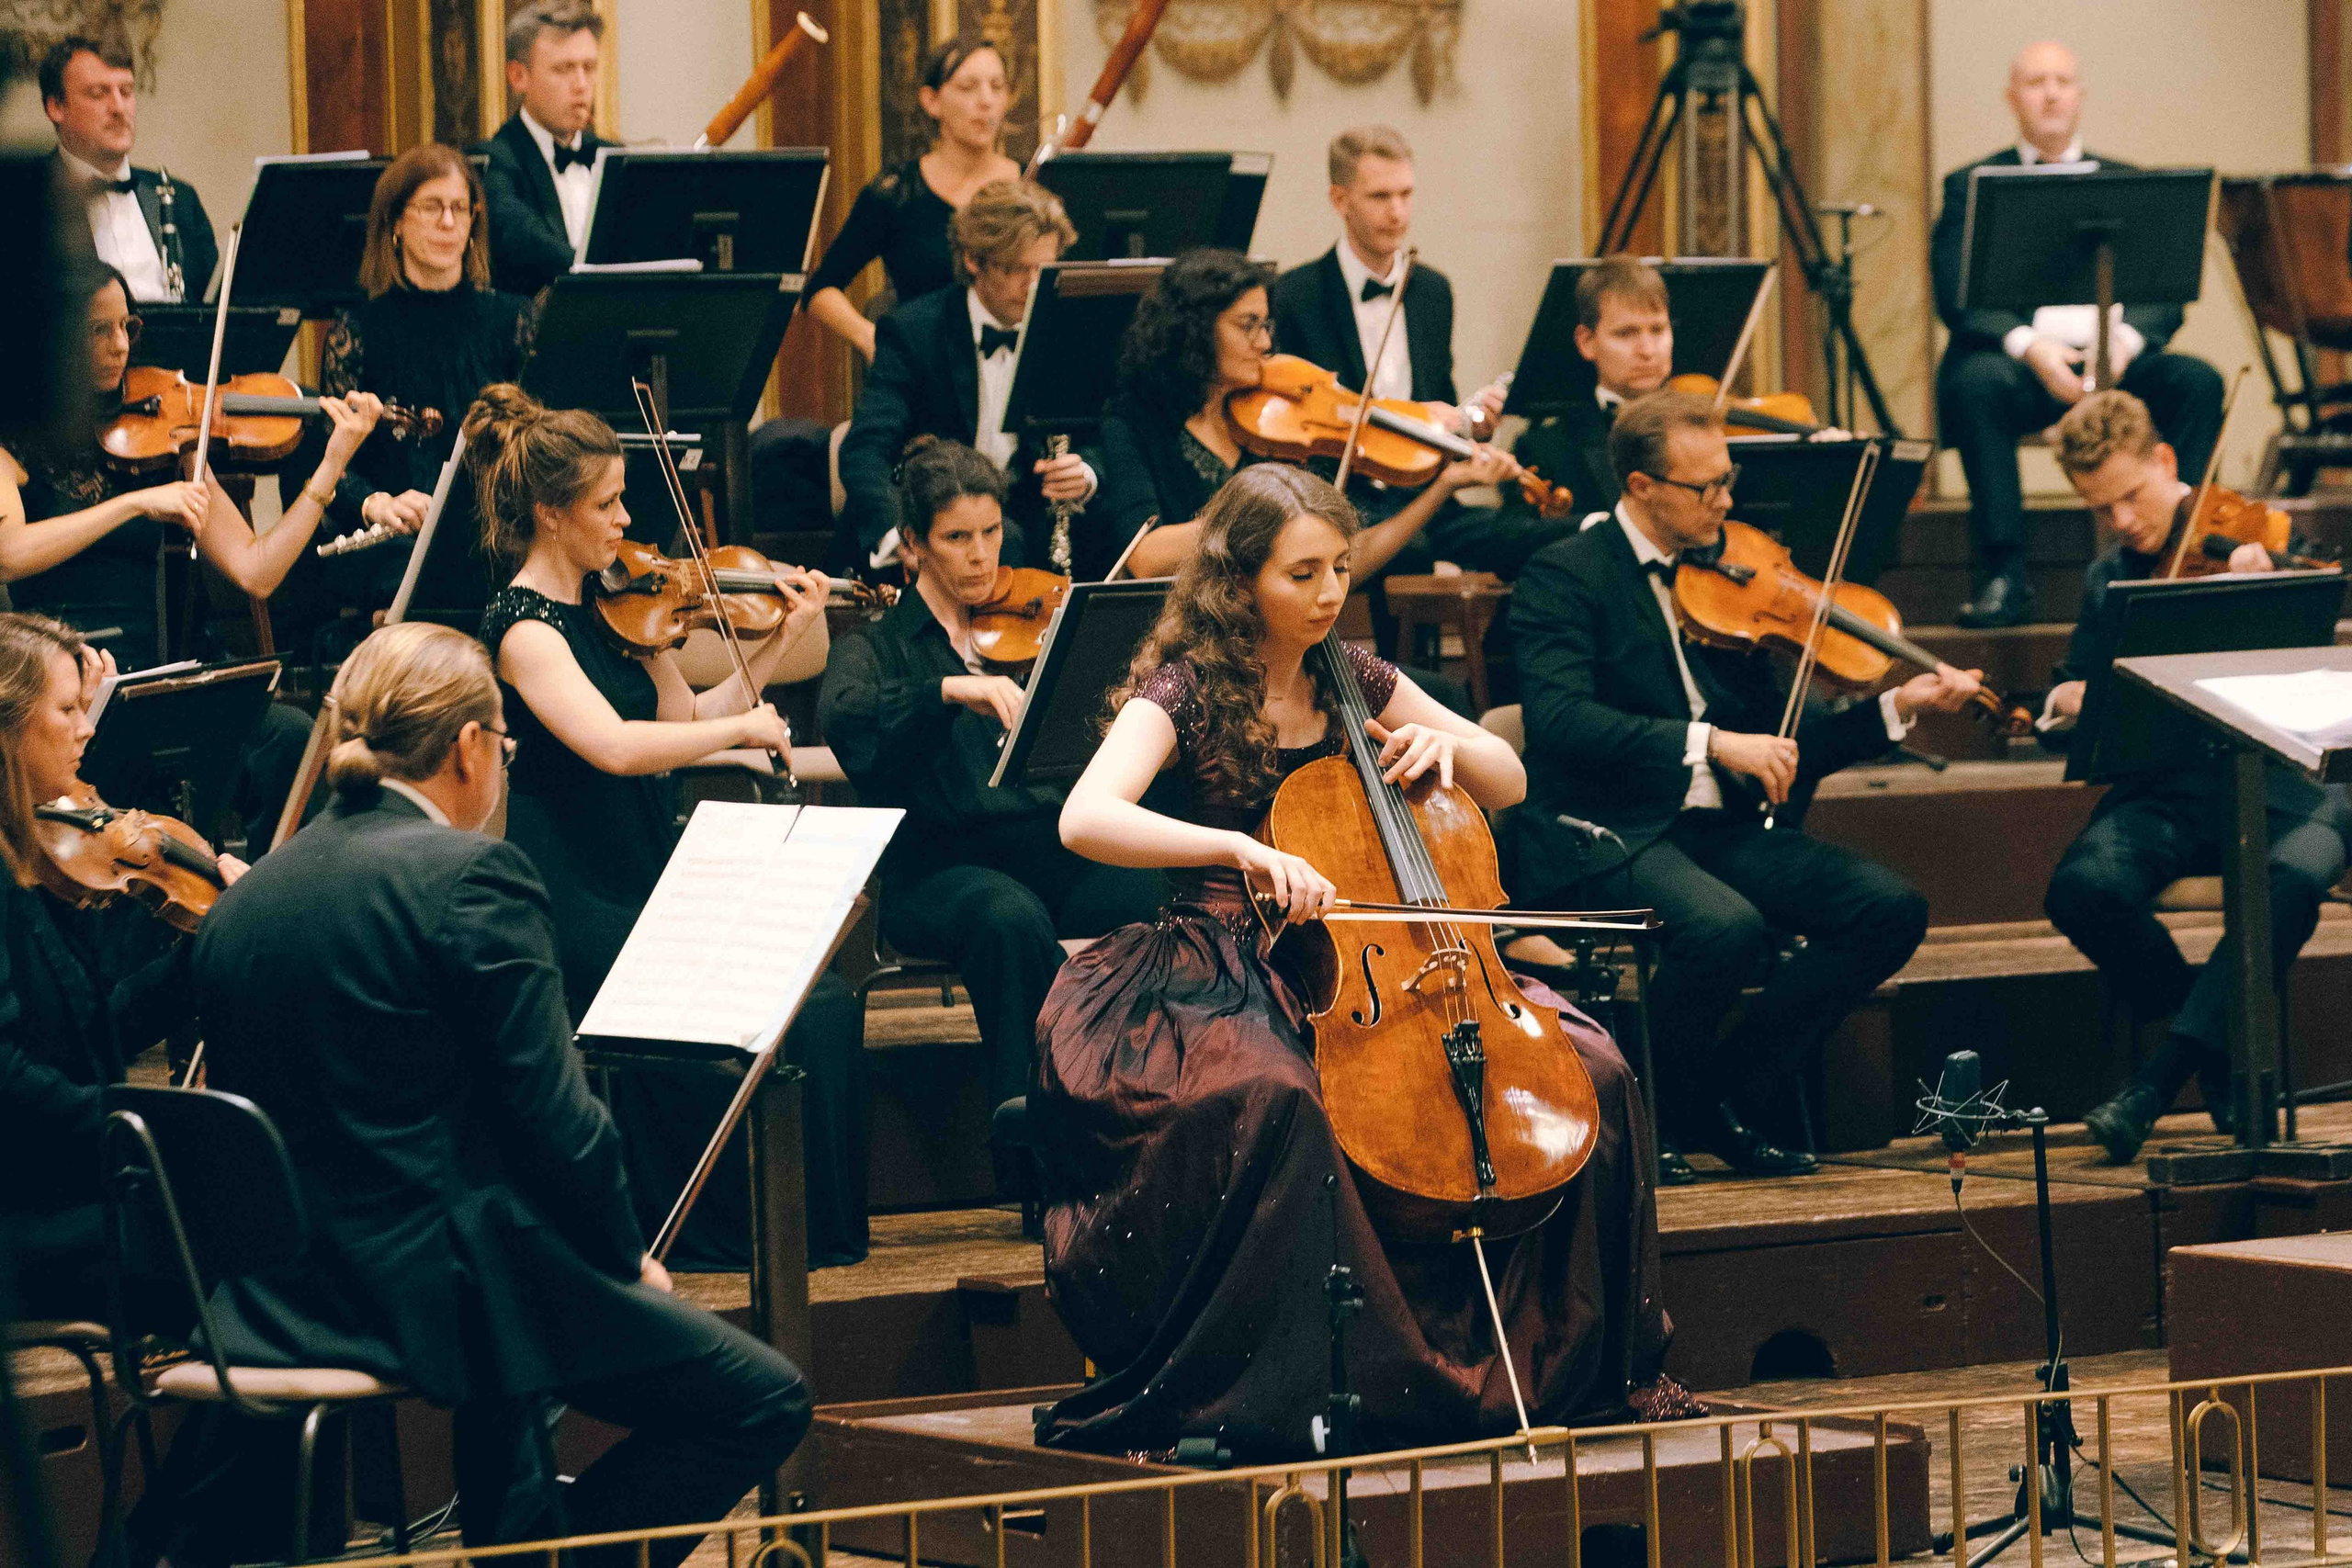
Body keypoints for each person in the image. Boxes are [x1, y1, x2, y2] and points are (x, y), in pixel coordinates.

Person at [1032, 462, 1687, 1457]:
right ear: (1238, 579)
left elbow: (1509, 775)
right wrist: (1239, 846)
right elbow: (1086, 817)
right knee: (1283, 1097)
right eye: (1302, 574)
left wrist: (1449, 753)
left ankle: (1583, 1364)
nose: (1329, 592)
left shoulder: (1355, 674)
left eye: (1339, 567)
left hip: (1381, 953)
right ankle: (1322, 1383)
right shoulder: (1187, 688)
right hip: (1227, 957)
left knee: (1592, 1067)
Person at [168, 621, 808, 1568]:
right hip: (441, 1293)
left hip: (271, 1296)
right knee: (763, 1398)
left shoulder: (251, 894)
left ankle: (524, 1545)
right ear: (469, 746)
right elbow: (559, 1120)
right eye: (505, 745)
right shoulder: (472, 878)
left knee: (517, 1297)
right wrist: (622, 1256)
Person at [1509, 390, 1984, 1179]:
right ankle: (1653, 1112)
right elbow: (1560, 721)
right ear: (1642, 487)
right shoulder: (1564, 575)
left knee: (1887, 908)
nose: (1726, 502)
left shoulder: (1731, 580)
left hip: (1715, 829)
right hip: (1606, 827)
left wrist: (1897, 706)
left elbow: (1784, 746)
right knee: (1726, 928)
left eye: (1729, 480)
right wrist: (1708, 741)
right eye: (1707, 487)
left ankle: (1712, 1095)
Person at [467, 385, 867, 1267]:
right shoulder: (523, 631)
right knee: (732, 1010)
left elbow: (690, 719)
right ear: (551, 513)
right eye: (606, 503)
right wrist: (743, 731)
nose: (625, 520)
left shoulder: (619, 608)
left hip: (645, 867)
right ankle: (719, 1231)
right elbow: (614, 746)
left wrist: (780, 641)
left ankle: (806, 1232)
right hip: (574, 891)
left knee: (824, 1003)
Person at [2034, 391, 2352, 1160]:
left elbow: (2324, 587)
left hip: (2283, 777)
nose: (2122, 521)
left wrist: (2270, 575)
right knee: (2081, 889)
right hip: (2169, 789)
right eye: (2100, 508)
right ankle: (2217, 1049)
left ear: (2166, 460)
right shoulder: (2109, 578)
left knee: (2297, 874)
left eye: (2130, 496)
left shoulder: (2247, 534)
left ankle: (2158, 1079)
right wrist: (2070, 699)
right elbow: (2077, 681)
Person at [820, 441, 1162, 1121]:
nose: (981, 555)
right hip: (938, 869)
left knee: (1155, 895)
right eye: (957, 538)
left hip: (1047, 850)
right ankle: (1039, 1129)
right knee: (1008, 919)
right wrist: (943, 691)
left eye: (991, 532)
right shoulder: (878, 645)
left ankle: (1150, 1108)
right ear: (913, 544)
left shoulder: (1035, 627)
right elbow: (845, 716)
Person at [1931, 39, 2224, 629]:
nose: (2051, 94)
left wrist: (2124, 345)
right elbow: (1955, 290)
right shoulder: (1971, 183)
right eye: (2035, 82)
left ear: (2080, 94)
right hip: (2025, 370)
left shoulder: (2126, 180)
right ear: (2012, 98)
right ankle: (2004, 574)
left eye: (2062, 82)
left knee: (2198, 381)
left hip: (2118, 364)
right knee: (1972, 382)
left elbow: (2164, 295)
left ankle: (2184, 550)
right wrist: (2033, 348)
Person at [0, 613, 241, 1323]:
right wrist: (142, 1120)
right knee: (256, 1241)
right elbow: (7, 1076)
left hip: (78, 1183)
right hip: (33, 1217)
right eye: (68, 709)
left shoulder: (38, 860)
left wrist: (209, 947)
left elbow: (98, 1031)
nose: (87, 729)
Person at [1092, 248, 1518, 585]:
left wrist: (1441, 487)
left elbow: (1346, 564)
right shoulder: (1134, 421)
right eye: (1247, 325)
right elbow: (1146, 558)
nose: (1264, 343)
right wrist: (1267, 512)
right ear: (1196, 329)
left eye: (1266, 326)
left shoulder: (1282, 423)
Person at [283, 143, 534, 643]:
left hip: (494, 534)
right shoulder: (358, 330)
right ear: (395, 222)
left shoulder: (513, 320)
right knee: (409, 586)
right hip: (395, 540)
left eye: (460, 208)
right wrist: (377, 502)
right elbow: (333, 460)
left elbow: (534, 442)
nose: (448, 222)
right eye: (431, 207)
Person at [1269, 125, 1514, 572]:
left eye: (1406, 194)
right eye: (1380, 197)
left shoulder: (1433, 291)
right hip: (1342, 504)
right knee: (1410, 554)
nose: (1398, 212)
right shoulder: (1295, 295)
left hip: (1429, 498)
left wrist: (1472, 425)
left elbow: (1439, 400)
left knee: (1535, 540)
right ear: (1340, 200)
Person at [835, 180, 1095, 571]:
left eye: (1044, 269)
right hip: (932, 528)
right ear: (974, 260)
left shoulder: (1067, 330)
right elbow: (866, 449)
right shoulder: (914, 332)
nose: (1033, 285)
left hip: (1027, 533)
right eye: (1017, 269)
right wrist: (899, 536)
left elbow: (1103, 434)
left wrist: (1085, 473)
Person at [802, 38, 1023, 361]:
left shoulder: (1032, 186)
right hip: (926, 374)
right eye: (968, 87)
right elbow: (820, 289)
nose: (987, 101)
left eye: (997, 86)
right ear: (931, 101)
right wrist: (871, 339)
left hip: (1015, 366)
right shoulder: (896, 192)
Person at [1506, 256, 1676, 537]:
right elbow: (1513, 539)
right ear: (1587, 342)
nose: (1648, 350)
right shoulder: (1544, 448)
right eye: (1626, 334)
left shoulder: (1709, 430)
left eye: (1657, 330)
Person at [40, 35, 217, 303]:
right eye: (98, 93)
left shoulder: (180, 199)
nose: (119, 108)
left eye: (126, 91)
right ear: (56, 107)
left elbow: (215, 311)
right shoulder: (22, 202)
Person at [480, 0, 607, 297]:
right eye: (563, 69)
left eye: (589, 68)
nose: (581, 84)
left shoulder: (612, 157)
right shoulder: (494, 163)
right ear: (518, 76)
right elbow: (526, 241)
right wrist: (605, 277)